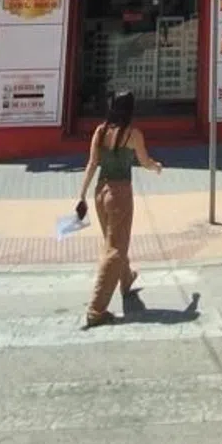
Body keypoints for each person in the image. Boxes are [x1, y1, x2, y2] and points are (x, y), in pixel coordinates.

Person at [76, 90, 163, 328]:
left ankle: (126, 280)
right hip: (120, 193)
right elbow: (144, 161)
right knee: (115, 248)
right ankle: (96, 310)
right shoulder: (133, 134)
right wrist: (156, 166)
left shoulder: (100, 130)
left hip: (100, 191)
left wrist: (82, 194)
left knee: (113, 239)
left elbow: (92, 163)